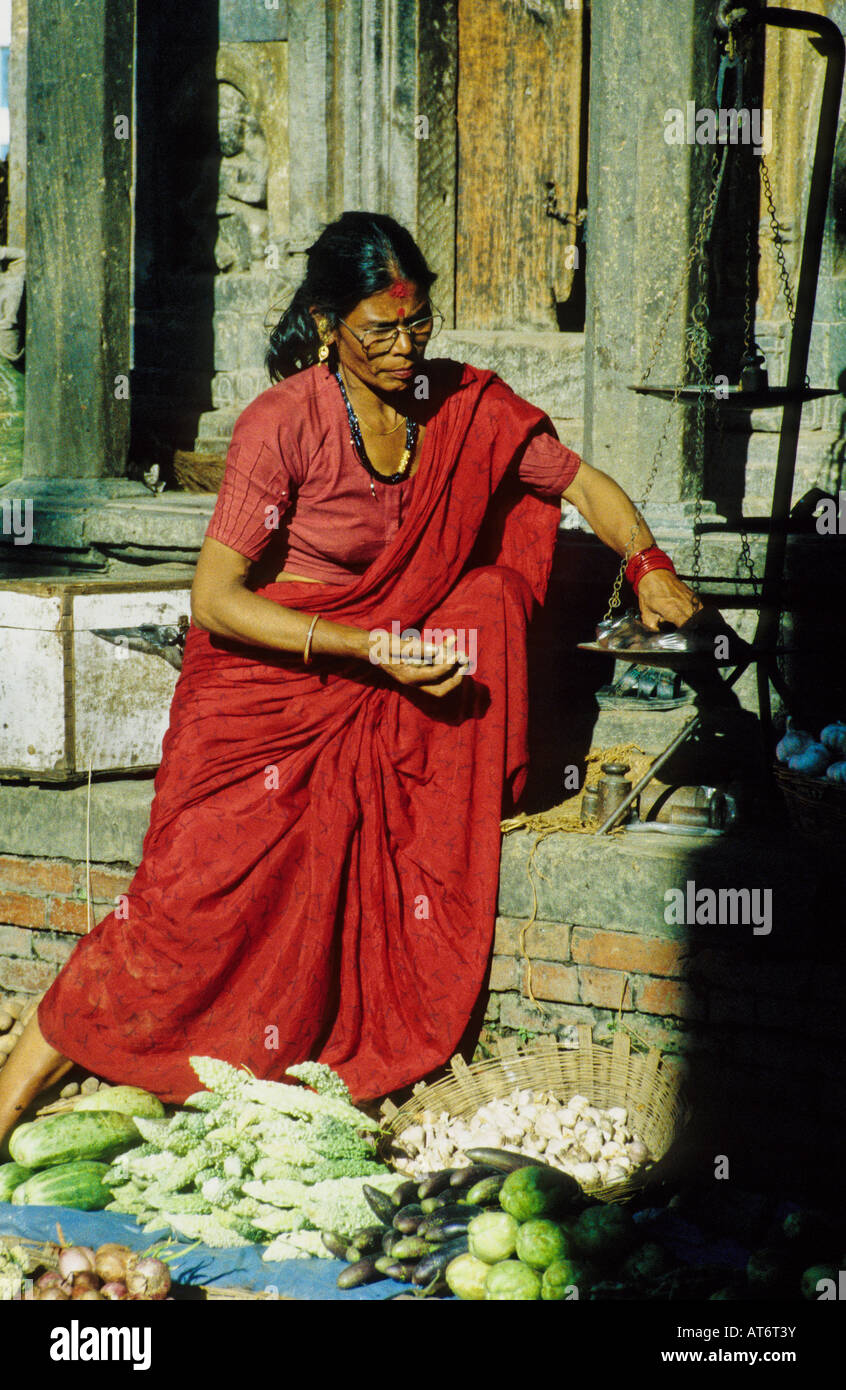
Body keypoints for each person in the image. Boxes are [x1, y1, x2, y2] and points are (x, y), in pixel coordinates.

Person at [0, 212, 698, 1141]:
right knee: (182, 901)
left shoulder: (458, 406)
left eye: (420, 326)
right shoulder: (282, 423)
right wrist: (366, 648)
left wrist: (649, 562)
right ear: (329, 325)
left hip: (384, 678)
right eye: (381, 332)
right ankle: (11, 1097)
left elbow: (580, 482)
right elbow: (216, 599)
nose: (407, 349)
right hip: (266, 687)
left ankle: (259, 1076)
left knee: (485, 598)